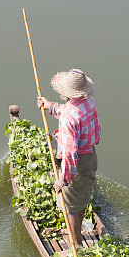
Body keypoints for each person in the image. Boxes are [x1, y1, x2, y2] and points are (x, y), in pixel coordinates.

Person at [37, 68, 100, 245]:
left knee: (70, 207)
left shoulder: (67, 118)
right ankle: (77, 232)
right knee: (81, 199)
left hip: (76, 164)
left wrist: (62, 181)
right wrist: (51, 106)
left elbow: (70, 155)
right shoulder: (88, 102)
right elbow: (72, 112)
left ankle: (76, 245)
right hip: (90, 157)